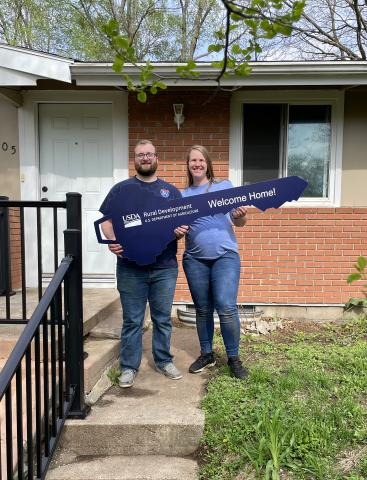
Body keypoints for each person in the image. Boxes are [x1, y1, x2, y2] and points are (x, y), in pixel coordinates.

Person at [99, 139, 183, 388]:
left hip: (164, 266)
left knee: (162, 318)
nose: (145, 158)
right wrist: (113, 242)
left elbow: (182, 222)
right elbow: (106, 221)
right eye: (140, 155)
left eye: (149, 154)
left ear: (157, 158)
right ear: (134, 159)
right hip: (130, 267)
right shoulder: (120, 190)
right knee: (132, 320)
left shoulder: (171, 192)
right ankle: (128, 366)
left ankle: (164, 360)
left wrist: (181, 231)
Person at [174, 145, 248, 380]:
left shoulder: (223, 187)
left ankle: (234, 358)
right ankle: (207, 354)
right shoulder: (182, 196)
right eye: (192, 160)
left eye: (200, 160)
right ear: (188, 165)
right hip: (195, 259)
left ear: (208, 163)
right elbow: (175, 230)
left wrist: (241, 215)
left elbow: (240, 223)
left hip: (225, 255)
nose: (196, 164)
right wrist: (176, 230)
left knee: (226, 307)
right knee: (203, 309)